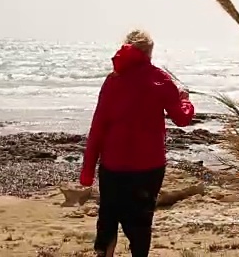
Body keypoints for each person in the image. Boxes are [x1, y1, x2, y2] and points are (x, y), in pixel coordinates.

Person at [79, 30, 195, 257]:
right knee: (141, 223)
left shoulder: (113, 80)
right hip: (148, 167)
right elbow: (181, 118)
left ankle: (104, 253)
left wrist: (87, 170)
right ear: (149, 52)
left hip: (113, 165)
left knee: (108, 218)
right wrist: (185, 100)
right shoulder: (160, 78)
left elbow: (98, 127)